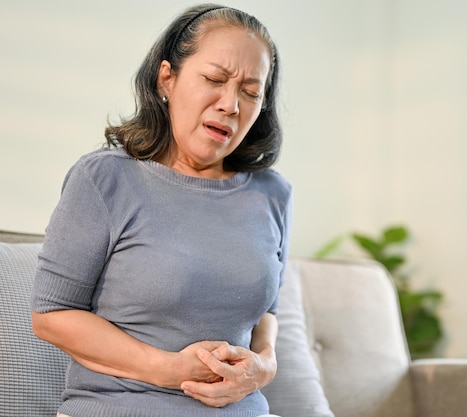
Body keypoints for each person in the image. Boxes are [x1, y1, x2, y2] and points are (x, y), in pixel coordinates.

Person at [30, 4, 290, 417]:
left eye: (250, 92)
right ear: (166, 77)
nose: (231, 104)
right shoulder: (104, 179)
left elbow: (268, 313)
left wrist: (264, 367)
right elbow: (51, 314)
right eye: (215, 79)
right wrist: (166, 369)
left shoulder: (273, 194)